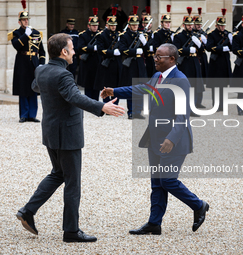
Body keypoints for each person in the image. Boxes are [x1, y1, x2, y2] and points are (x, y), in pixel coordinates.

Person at [16, 33, 125, 242]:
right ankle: (71, 231)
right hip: (67, 135)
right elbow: (74, 96)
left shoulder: (41, 70)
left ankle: (28, 211)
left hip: (51, 132)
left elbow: (36, 87)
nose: (75, 51)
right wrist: (102, 107)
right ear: (64, 52)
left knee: (58, 174)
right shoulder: (63, 75)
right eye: (72, 48)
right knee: (72, 183)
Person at [101, 43, 209, 235]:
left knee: (167, 180)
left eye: (160, 57)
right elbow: (142, 89)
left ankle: (199, 205)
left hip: (174, 141)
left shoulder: (181, 80)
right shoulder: (158, 76)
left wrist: (172, 139)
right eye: (155, 56)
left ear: (172, 60)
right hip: (155, 137)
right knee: (157, 182)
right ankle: (154, 223)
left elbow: (183, 115)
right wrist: (114, 91)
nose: (155, 59)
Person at [8, 0, 45, 123]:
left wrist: (41, 64)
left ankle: (32, 114)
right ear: (19, 21)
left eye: (27, 19)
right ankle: (24, 114)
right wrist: (25, 35)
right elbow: (16, 45)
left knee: (34, 89)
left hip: (34, 63)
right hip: (22, 63)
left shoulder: (36, 33)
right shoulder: (16, 33)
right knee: (23, 89)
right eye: (23, 20)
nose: (26, 21)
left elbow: (42, 51)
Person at [173, 7, 204, 117]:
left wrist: (199, 44)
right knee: (184, 87)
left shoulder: (195, 36)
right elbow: (176, 50)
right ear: (184, 25)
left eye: (191, 25)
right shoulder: (179, 36)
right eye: (188, 25)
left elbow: (202, 51)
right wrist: (187, 50)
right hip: (185, 64)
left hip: (194, 62)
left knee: (194, 87)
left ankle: (192, 109)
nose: (190, 26)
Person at [119, 5, 148, 119]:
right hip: (130, 65)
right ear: (129, 25)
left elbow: (148, 50)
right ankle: (131, 111)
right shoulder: (125, 36)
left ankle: (138, 111)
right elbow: (123, 50)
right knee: (131, 88)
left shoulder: (141, 35)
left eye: (137, 25)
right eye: (133, 25)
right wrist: (135, 51)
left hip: (139, 64)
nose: (135, 26)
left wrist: (144, 43)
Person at [205, 9, 232, 112]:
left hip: (224, 62)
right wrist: (221, 49)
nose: (223, 27)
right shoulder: (212, 35)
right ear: (216, 25)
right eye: (220, 25)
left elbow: (232, 47)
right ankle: (216, 105)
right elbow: (209, 47)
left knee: (224, 86)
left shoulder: (227, 34)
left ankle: (222, 105)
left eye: (224, 25)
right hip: (216, 63)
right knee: (215, 86)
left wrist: (231, 41)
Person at [94, 7, 122, 104]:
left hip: (117, 63)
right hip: (106, 63)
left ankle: (115, 103)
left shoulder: (119, 35)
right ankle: (106, 103)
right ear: (107, 25)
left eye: (115, 25)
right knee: (105, 84)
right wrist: (112, 53)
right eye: (111, 25)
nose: (113, 27)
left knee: (117, 84)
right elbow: (100, 50)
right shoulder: (102, 35)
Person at [77, 8, 101, 101]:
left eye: (96, 25)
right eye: (93, 25)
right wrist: (93, 49)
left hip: (97, 62)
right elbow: (80, 47)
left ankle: (95, 101)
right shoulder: (83, 35)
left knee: (97, 84)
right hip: (87, 63)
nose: (95, 27)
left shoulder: (100, 35)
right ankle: (88, 102)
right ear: (88, 25)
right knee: (88, 84)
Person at [193, 8, 208, 108]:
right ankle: (194, 101)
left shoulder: (203, 34)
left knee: (201, 80)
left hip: (202, 57)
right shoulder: (192, 34)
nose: (199, 26)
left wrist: (204, 41)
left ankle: (199, 101)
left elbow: (207, 46)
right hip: (194, 59)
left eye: (200, 24)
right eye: (197, 24)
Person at [142, 6, 156, 78]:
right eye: (146, 23)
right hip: (144, 57)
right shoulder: (140, 35)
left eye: (150, 23)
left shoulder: (154, 34)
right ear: (143, 24)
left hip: (152, 58)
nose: (148, 25)